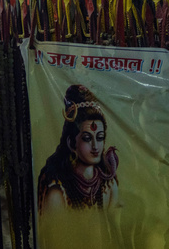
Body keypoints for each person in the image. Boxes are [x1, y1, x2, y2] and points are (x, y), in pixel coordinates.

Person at [36, 85, 120, 247]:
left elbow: (115, 233)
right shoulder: (57, 190)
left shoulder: (108, 184)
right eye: (87, 138)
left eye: (100, 137)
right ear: (72, 142)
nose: (96, 146)